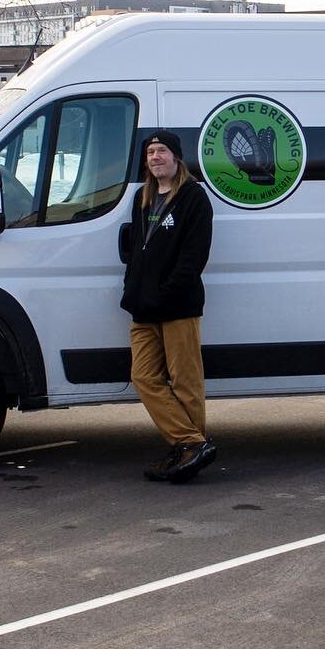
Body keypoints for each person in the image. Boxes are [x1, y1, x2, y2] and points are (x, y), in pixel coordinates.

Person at [120, 130, 216, 482]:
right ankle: (191, 442)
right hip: (143, 308)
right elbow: (136, 251)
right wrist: (132, 287)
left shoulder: (194, 198)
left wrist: (166, 291)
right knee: (143, 376)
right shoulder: (142, 198)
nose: (155, 157)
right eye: (150, 153)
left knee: (186, 381)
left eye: (162, 151)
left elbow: (193, 258)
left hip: (178, 305)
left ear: (177, 157)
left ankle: (187, 453)